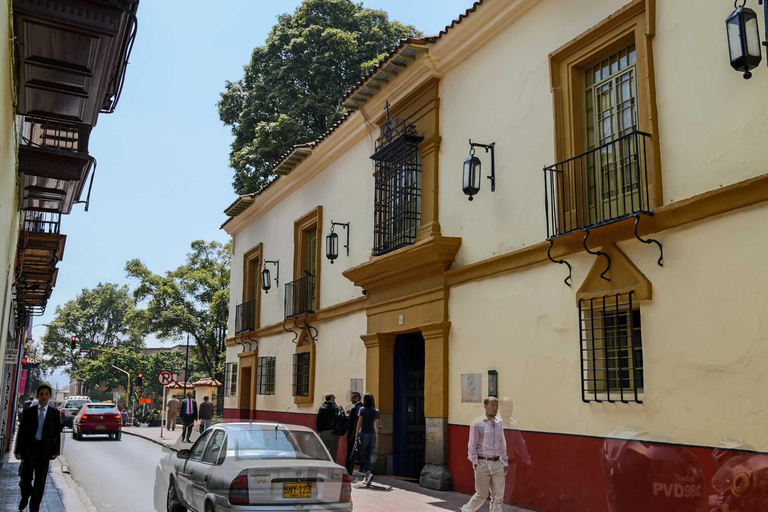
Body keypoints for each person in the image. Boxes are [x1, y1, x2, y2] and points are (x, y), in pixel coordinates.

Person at [14, 385, 61, 512]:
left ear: (50, 396)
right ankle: (25, 495)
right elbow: (22, 432)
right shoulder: (29, 412)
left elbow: (57, 433)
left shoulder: (55, 413)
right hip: (29, 450)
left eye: (46, 394)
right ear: (37, 396)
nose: (44, 397)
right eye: (41, 394)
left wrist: (56, 451)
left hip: (45, 452)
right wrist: (17, 450)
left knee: (40, 482)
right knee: (25, 479)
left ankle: (34, 507)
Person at [461, 397, 508, 512]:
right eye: (492, 405)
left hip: (497, 463)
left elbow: (502, 443)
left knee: (498, 497)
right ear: (485, 406)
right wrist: (475, 463)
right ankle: (466, 510)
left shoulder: (499, 422)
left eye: (496, 405)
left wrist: (504, 461)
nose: (495, 408)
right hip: (483, 463)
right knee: (481, 494)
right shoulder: (477, 423)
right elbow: (472, 445)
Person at [355, 393, 380, 487]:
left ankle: (368, 473)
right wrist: (379, 428)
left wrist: (356, 434)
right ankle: (367, 475)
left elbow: (359, 422)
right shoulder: (376, 411)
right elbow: (377, 426)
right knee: (369, 454)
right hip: (372, 435)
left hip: (364, 434)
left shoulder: (362, 410)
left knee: (365, 455)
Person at [316, 393, 342, 460]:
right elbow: (339, 419)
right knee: (333, 451)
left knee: (322, 451)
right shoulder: (336, 408)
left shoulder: (321, 408)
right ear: (332, 398)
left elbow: (318, 420)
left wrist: (319, 430)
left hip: (323, 432)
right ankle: (333, 464)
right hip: (333, 432)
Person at [345, 392, 362, 476]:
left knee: (350, 451)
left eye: (353, 398)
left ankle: (349, 469)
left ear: (357, 399)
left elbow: (352, 421)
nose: (351, 400)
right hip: (357, 432)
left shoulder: (357, 408)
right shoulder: (360, 407)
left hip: (353, 432)